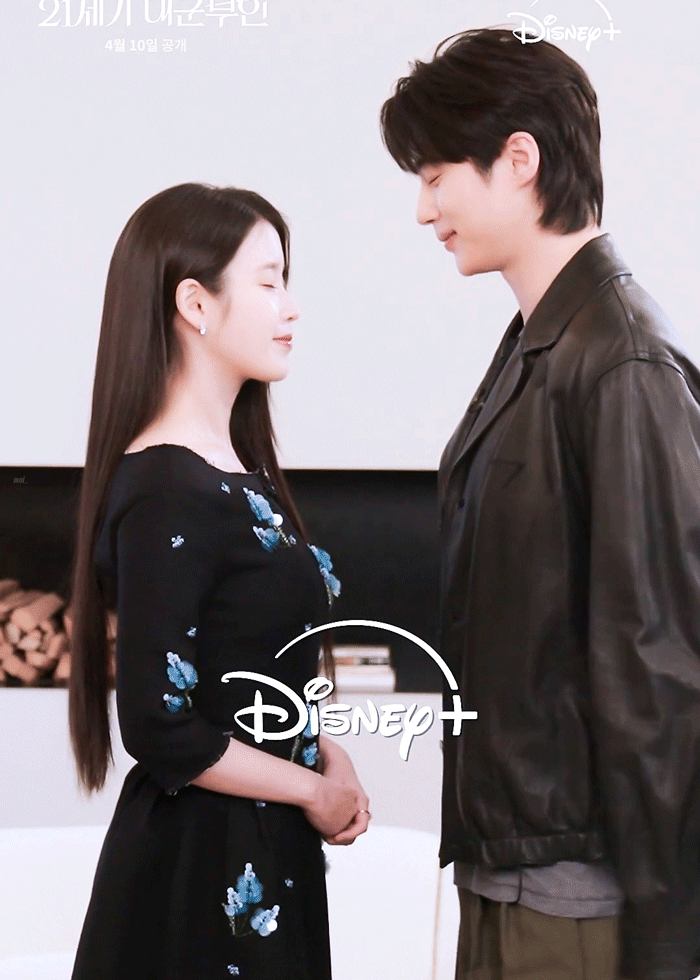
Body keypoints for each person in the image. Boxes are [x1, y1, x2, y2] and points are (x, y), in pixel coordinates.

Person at [379, 26, 700, 980]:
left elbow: (659, 666)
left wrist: (668, 940)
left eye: (436, 175)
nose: (424, 209)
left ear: (519, 159)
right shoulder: (544, 342)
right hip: (512, 867)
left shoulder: (622, 360)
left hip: (578, 892)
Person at [67, 182, 370, 980]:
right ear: (196, 305)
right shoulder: (167, 485)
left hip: (262, 849)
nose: (291, 308)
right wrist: (311, 791)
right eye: (269, 283)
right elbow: (160, 725)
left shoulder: (233, 471)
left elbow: (237, 682)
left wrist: (323, 756)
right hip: (203, 874)